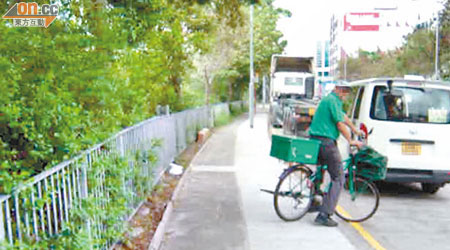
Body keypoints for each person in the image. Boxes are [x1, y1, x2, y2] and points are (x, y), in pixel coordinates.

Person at [308, 83, 363, 227]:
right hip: (326, 142)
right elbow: (339, 124)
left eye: (347, 91)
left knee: (321, 170)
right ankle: (324, 214)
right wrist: (351, 140)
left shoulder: (332, 101)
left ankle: (314, 201)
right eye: (343, 90)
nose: (345, 94)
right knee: (339, 177)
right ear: (336, 89)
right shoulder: (332, 100)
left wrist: (355, 130)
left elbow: (343, 117)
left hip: (315, 140)